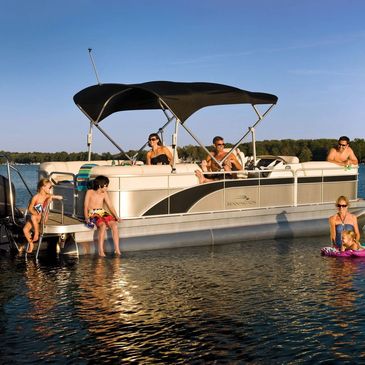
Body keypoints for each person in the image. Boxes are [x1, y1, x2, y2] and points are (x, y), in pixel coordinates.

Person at [84, 175, 122, 257]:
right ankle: (101, 251)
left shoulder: (104, 193)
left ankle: (117, 249)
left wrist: (116, 216)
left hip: (102, 212)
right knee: (103, 225)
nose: (107, 188)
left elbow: (110, 205)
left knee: (114, 225)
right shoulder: (89, 192)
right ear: (100, 185)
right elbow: (85, 206)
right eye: (106, 185)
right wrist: (86, 217)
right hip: (93, 212)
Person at [23, 178, 63, 253]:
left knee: (33, 217)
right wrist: (34, 212)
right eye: (49, 187)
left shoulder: (48, 196)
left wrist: (54, 197)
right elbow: (30, 209)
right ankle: (31, 243)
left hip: (43, 217)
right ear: (43, 187)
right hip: (35, 216)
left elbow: (58, 197)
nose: (50, 189)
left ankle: (36, 233)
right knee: (25, 230)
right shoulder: (35, 197)